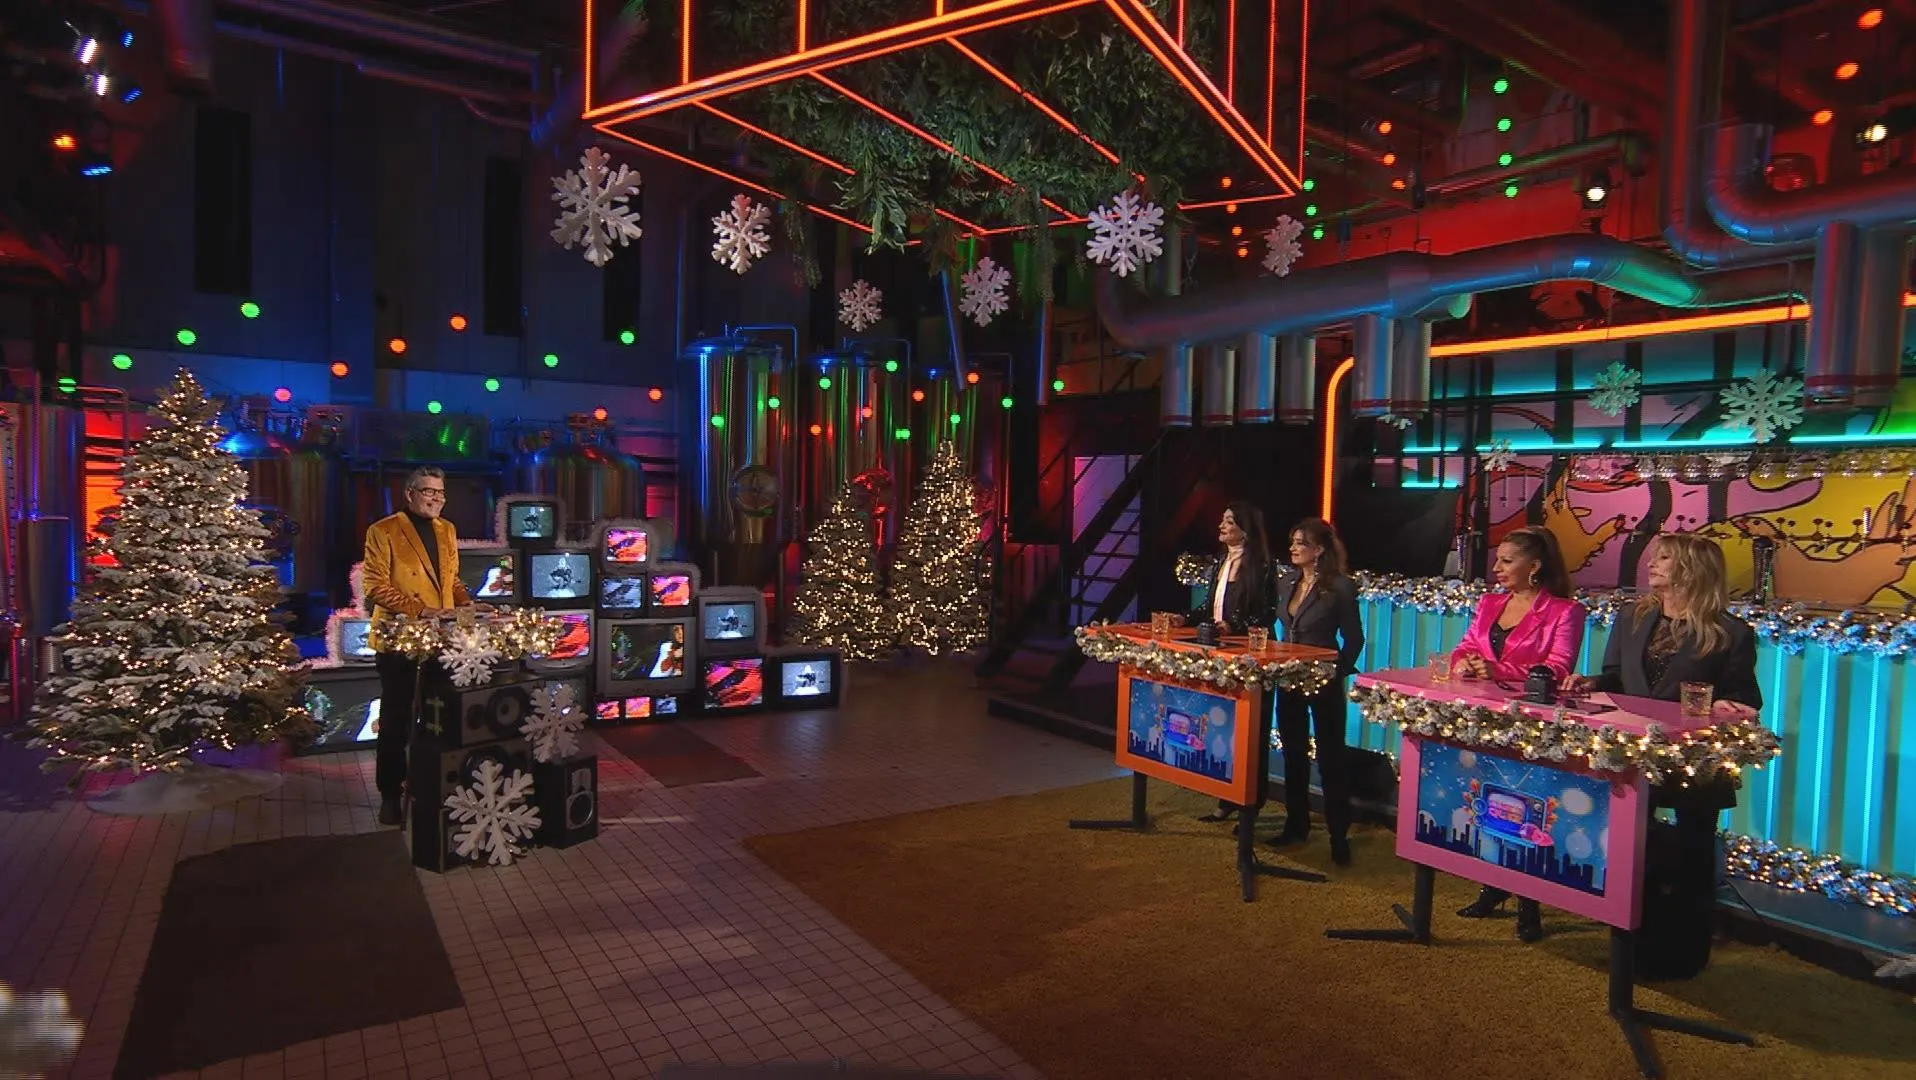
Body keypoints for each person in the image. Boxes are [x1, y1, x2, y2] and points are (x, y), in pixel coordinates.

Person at [1568, 532, 1760, 979]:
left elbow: (1746, 696)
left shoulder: (1731, 633)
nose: (1651, 564)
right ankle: (1636, 947)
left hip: (1695, 761)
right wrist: (1591, 683)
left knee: (1693, 858)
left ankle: (1685, 956)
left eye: (1665, 558)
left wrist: (1729, 705)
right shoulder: (1631, 618)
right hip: (1637, 753)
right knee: (1637, 850)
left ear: (1692, 570)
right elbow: (1616, 678)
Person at [1450, 526, 1587, 941]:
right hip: (1485, 719)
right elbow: (1464, 647)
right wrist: (1464, 665)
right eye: (1499, 559)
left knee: (1527, 811)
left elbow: (1557, 668)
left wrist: (1498, 670)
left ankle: (1530, 903)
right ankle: (1493, 886)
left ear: (1535, 566)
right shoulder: (1490, 603)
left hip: (1532, 726)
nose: (1497, 567)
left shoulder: (1565, 611)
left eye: (1507, 560)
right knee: (1491, 805)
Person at [362, 467, 486, 826]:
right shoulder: (383, 530)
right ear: (410, 494)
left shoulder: (447, 530)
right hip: (400, 639)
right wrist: (422, 610)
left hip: (440, 639)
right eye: (429, 491)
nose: (436, 498)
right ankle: (390, 794)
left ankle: (430, 785)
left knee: (437, 719)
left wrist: (468, 604)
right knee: (396, 721)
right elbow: (375, 587)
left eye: (441, 493)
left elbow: (451, 579)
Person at [1267, 518, 1364, 864]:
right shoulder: (1287, 581)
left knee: (1330, 757)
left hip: (1323, 680)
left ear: (1319, 549)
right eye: (1292, 542)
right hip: (1289, 677)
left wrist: (1335, 672)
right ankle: (1296, 825)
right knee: (1293, 753)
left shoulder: (1340, 586)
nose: (1293, 548)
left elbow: (1354, 639)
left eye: (1301, 543)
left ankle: (1339, 833)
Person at [1188, 502, 1279, 824]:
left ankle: (1250, 805)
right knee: (1223, 729)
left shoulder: (1263, 566)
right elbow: (1209, 608)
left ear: (1245, 528)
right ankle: (1225, 798)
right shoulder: (1221, 561)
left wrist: (1234, 626)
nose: (1221, 525)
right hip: (1221, 656)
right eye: (1223, 520)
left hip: (1249, 658)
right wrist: (1183, 619)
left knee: (1252, 734)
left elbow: (1266, 614)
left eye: (1229, 521)